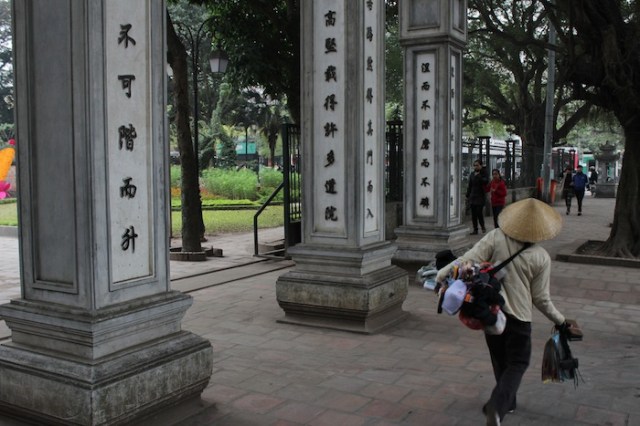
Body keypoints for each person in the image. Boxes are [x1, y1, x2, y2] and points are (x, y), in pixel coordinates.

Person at [436, 198, 570, 426]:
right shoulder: (541, 258)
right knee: (517, 363)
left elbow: (467, 258)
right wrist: (561, 320)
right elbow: (541, 299)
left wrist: (441, 276)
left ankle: (508, 401)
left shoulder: (495, 237)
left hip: (491, 312)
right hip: (519, 318)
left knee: (500, 359)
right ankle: (497, 407)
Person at [467, 159, 490, 234]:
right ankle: (475, 229)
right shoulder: (472, 174)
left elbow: (486, 181)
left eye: (477, 165)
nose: (475, 167)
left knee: (479, 212)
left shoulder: (484, 173)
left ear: (481, 165)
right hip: (473, 196)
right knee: (473, 214)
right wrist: (468, 195)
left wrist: (479, 176)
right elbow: (470, 185)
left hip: (480, 196)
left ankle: (482, 226)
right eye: (474, 165)